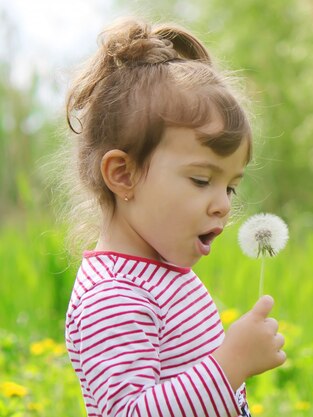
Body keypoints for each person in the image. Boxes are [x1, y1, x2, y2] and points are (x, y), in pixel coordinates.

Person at [62, 17, 286, 417]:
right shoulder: (113, 298)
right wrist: (229, 366)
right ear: (123, 175)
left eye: (230, 187)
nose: (223, 205)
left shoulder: (158, 274)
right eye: (202, 180)